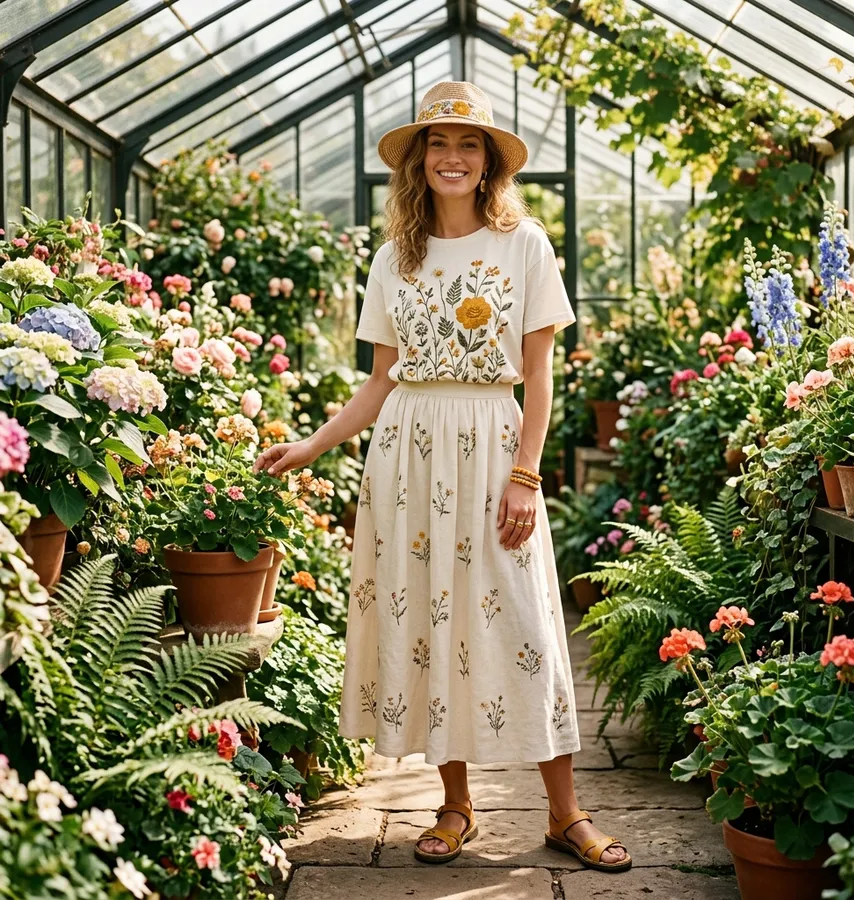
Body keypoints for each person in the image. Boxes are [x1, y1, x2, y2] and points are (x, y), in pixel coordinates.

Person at [254, 81, 631, 873]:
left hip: (495, 446)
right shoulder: (396, 257)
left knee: (526, 623)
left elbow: (540, 375)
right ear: (419, 161)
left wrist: (526, 473)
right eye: (438, 143)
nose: (452, 156)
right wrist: (309, 448)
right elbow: (381, 379)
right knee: (430, 621)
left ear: (490, 162)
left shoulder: (523, 243)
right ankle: (454, 805)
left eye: (468, 144)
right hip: (407, 457)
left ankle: (565, 812)